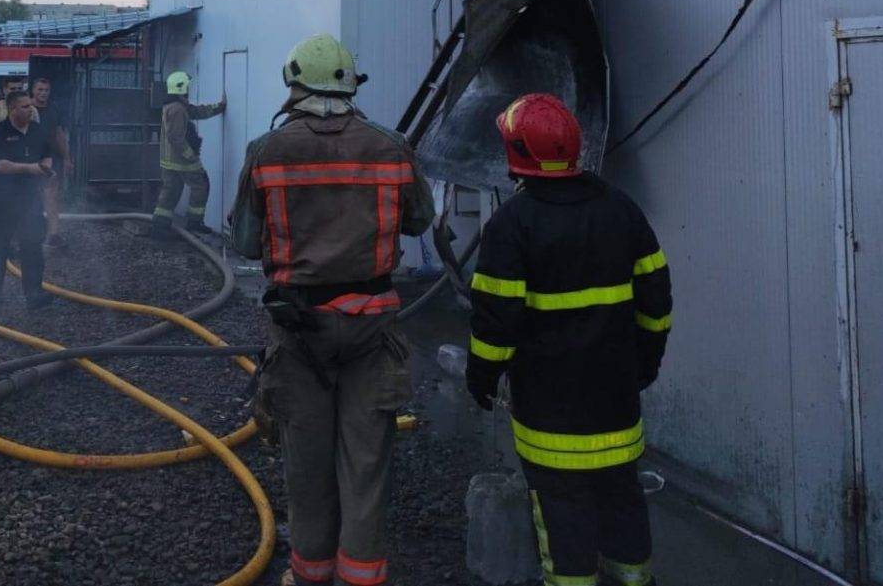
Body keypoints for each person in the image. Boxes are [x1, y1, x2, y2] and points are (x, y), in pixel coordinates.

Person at [230, 34, 433, 586]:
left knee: (308, 464)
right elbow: (418, 222)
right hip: (373, 329)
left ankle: (311, 574)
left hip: (300, 334)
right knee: (366, 466)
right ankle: (362, 577)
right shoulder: (392, 147)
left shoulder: (266, 152)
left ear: (293, 83)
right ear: (349, 83)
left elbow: (247, 243)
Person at [466, 93, 673, 586]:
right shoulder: (622, 209)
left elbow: (495, 323)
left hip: (549, 420)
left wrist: (482, 377)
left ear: (517, 155)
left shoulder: (511, 226)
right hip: (616, 408)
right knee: (623, 504)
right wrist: (644, 364)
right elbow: (657, 304)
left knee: (563, 520)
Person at [0, 88, 54, 309]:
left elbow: (47, 156)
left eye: (30, 105)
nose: (30, 110)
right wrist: (32, 169)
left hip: (30, 201)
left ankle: (34, 294)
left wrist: (47, 169)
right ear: (12, 109)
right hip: (0, 201)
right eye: (24, 106)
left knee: (32, 246)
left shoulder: (39, 131)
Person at [153, 71, 225, 238]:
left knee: (170, 192)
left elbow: (197, 112)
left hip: (169, 160)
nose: (189, 90)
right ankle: (194, 223)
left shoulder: (174, 105)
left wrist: (219, 107)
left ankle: (159, 227)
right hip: (182, 160)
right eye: (187, 86)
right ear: (182, 88)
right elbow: (176, 137)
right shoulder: (177, 108)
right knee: (201, 184)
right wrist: (190, 155)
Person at [29, 77, 71, 247]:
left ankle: (53, 235)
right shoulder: (27, 109)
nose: (43, 93)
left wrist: (67, 158)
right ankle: (26, 234)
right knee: (28, 196)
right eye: (40, 90)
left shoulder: (53, 109)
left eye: (46, 90)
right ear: (33, 90)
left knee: (52, 196)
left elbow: (59, 134)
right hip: (30, 158)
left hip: (52, 158)